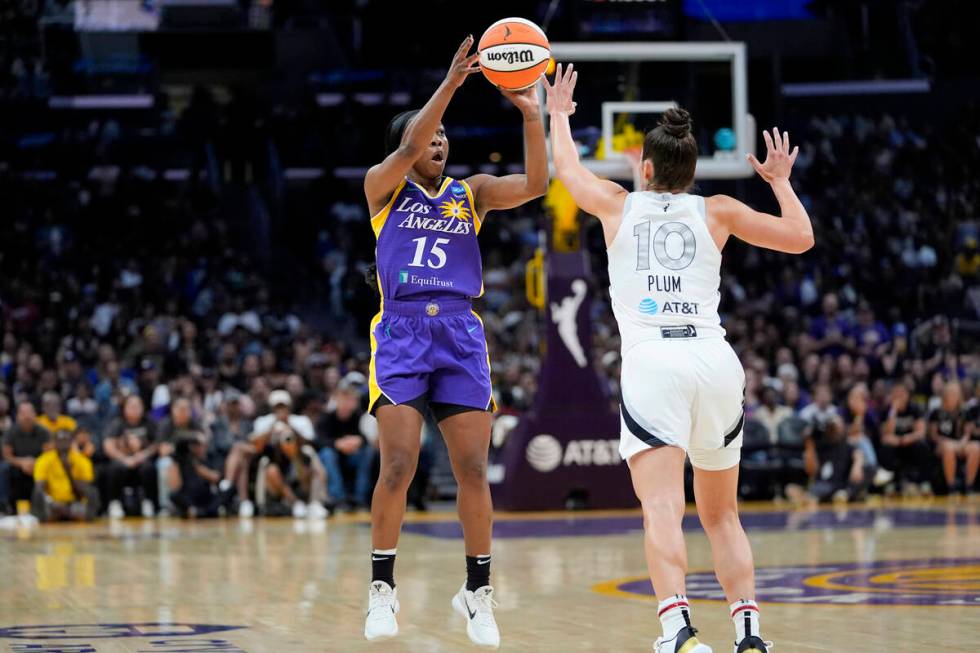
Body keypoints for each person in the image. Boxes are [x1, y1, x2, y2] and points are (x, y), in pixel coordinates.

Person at [545, 64, 813, 653]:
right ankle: (750, 634)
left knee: (663, 510)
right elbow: (800, 237)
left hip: (654, 362)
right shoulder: (717, 210)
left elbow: (565, 170)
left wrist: (559, 116)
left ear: (644, 168)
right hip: (715, 362)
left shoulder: (618, 205)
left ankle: (678, 632)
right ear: (693, 172)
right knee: (723, 516)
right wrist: (779, 180)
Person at [361, 36, 547, 648]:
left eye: (443, 136)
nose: (437, 142)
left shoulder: (472, 194)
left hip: (461, 333)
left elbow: (539, 183)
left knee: (472, 468)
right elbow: (413, 141)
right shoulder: (382, 188)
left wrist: (530, 115)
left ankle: (478, 593)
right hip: (402, 332)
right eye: (427, 135)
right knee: (399, 466)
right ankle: (382, 589)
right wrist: (451, 82)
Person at [250, 389, 328, 519]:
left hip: (298, 462)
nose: (281, 411)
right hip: (277, 465)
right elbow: (255, 445)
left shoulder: (301, 421)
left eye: (283, 407)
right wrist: (271, 431)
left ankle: (315, 502)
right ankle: (295, 503)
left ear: (289, 407)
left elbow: (311, 442)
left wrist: (291, 428)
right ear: (272, 408)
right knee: (271, 470)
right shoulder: (263, 422)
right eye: (277, 408)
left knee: (312, 460)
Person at [317, 381, 373, 511]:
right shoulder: (326, 417)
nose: (347, 404)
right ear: (336, 400)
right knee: (327, 454)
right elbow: (319, 441)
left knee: (367, 452)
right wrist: (337, 444)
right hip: (333, 455)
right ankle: (338, 498)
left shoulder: (359, 416)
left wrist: (359, 440)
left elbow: (366, 437)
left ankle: (360, 498)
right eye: (344, 399)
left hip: (353, 455)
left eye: (351, 400)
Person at [101, 395, 159, 519]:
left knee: (149, 468)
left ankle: (148, 502)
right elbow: (108, 446)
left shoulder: (149, 423)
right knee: (115, 468)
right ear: (124, 408)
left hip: (142, 460)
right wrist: (125, 459)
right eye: (131, 406)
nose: (135, 409)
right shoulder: (117, 424)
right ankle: (114, 503)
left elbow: (156, 444)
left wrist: (142, 455)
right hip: (123, 460)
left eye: (138, 406)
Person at [31, 429, 99, 522]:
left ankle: (75, 515)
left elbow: (85, 491)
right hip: (53, 504)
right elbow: (39, 487)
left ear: (71, 442)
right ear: (54, 442)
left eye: (66, 441)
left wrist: (69, 472)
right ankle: (46, 517)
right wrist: (51, 502)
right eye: (60, 441)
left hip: (74, 504)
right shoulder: (43, 460)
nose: (63, 444)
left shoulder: (82, 460)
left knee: (92, 492)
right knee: (38, 493)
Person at [879, 382, 932, 494]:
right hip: (896, 445)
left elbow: (921, 432)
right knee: (886, 448)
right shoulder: (887, 411)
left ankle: (922, 482)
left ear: (907, 395)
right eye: (895, 393)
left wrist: (906, 438)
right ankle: (890, 483)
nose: (898, 396)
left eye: (901, 393)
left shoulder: (915, 408)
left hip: (910, 443)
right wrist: (893, 411)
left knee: (922, 445)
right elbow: (886, 434)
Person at [2, 401, 53, 510]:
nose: (27, 416)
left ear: (35, 414)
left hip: (39, 465)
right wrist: (22, 463)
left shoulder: (44, 432)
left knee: (51, 468)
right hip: (17, 466)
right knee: (4, 469)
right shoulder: (10, 432)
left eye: (29, 412)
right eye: (23, 413)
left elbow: (49, 454)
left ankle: (47, 505)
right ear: (17, 416)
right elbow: (7, 456)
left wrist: (35, 463)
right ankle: (5, 506)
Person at [929, 381, 977, 494]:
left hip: (960, 443)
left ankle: (969, 486)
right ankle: (951, 486)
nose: (953, 396)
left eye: (955, 393)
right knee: (948, 448)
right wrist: (947, 442)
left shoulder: (965, 411)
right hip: (942, 444)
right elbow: (933, 435)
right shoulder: (936, 412)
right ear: (945, 395)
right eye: (950, 393)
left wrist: (963, 442)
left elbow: (967, 433)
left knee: (976, 448)